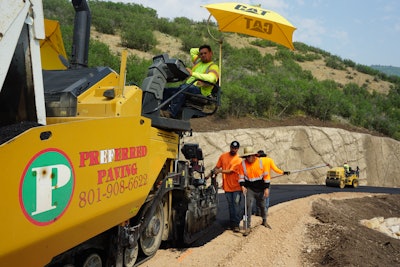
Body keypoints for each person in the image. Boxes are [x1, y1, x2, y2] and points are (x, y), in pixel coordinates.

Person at [161, 44, 219, 118]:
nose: (203, 55)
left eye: (205, 53)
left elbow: (212, 78)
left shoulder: (213, 66)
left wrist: (193, 73)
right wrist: (202, 50)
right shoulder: (198, 62)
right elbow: (192, 50)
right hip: (189, 86)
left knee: (183, 88)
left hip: (200, 90)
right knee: (166, 91)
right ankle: (162, 111)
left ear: (211, 53)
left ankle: (170, 113)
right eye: (201, 54)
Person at [208, 141, 242, 232]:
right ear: (230, 147)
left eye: (235, 148)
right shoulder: (223, 156)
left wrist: (219, 171)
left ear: (238, 149)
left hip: (237, 187)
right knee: (230, 206)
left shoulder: (238, 159)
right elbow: (217, 167)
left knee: (236, 205)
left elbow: (230, 171)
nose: (233, 149)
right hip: (227, 187)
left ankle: (236, 224)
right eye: (232, 148)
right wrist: (208, 175)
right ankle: (232, 223)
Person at [236, 146, 270, 236]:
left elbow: (266, 176)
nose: (248, 158)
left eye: (250, 156)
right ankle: (247, 227)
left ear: (254, 155)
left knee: (262, 206)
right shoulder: (242, 164)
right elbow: (241, 177)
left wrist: (266, 188)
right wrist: (242, 186)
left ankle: (264, 220)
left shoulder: (261, 163)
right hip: (250, 189)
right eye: (247, 156)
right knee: (248, 207)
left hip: (260, 188)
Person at [254, 150, 290, 227]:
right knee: (266, 197)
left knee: (258, 197)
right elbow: (275, 169)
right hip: (266, 181)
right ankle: (265, 212)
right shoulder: (269, 160)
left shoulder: (256, 161)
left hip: (257, 181)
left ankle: (258, 212)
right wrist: (283, 172)